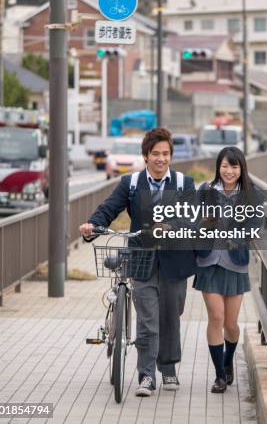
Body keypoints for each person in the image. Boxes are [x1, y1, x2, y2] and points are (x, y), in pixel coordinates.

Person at [79, 128, 196, 398]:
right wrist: (93, 226)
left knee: (171, 316)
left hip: (175, 259)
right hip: (141, 258)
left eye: (165, 154)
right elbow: (109, 209)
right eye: (155, 154)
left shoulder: (182, 183)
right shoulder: (130, 184)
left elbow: (191, 218)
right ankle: (146, 376)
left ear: (171, 156)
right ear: (145, 156)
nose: (161, 159)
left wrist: (171, 225)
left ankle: (168, 368)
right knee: (147, 319)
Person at [193, 146, 264, 394]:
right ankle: (220, 375)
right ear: (218, 167)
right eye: (224, 166)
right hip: (208, 261)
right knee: (216, 317)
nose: (229, 171)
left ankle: (228, 359)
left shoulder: (253, 195)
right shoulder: (205, 191)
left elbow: (255, 226)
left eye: (234, 166)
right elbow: (192, 221)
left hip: (235, 263)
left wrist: (238, 234)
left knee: (232, 324)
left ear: (241, 168)